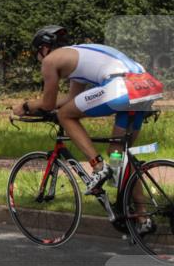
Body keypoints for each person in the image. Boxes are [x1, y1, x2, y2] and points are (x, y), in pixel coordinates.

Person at [13, 25, 164, 195]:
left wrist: (25, 106)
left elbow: (48, 104)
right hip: (146, 86)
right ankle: (140, 216)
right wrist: (43, 107)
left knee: (65, 116)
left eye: (37, 52)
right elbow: (70, 99)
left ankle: (98, 167)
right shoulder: (78, 55)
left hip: (121, 87)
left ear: (44, 48)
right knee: (118, 152)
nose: (38, 58)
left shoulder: (50, 60)